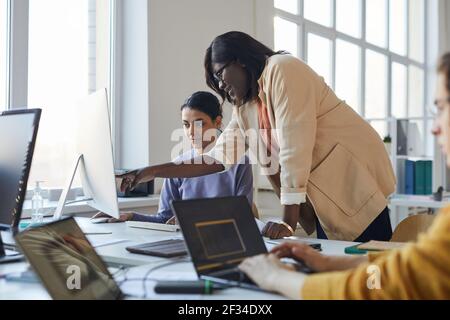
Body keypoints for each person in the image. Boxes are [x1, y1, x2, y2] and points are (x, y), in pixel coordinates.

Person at [118, 31, 395, 241]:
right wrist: (150, 172)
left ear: (239, 61)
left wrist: (287, 223)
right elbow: (216, 159)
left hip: (354, 188)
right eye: (215, 83)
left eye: (219, 75)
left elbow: (294, 150)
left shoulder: (283, 69)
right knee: (338, 284)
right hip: (325, 203)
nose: (221, 86)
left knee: (374, 282)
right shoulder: (246, 107)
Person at [238, 53, 450, 300]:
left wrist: (276, 277)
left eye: (442, 108)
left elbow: (379, 288)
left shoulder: (283, 70)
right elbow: (403, 272)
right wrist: (326, 263)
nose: (435, 127)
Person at [108, 91, 253, 223]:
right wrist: (131, 216)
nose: (191, 132)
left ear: (218, 121)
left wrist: (193, 217)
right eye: (186, 124)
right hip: (184, 242)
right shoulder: (177, 167)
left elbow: (242, 215)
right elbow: (164, 219)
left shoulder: (240, 163)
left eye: (199, 124)